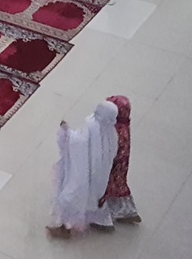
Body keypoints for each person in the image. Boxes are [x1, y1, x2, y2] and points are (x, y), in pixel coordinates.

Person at [48, 100, 119, 236]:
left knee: (71, 197)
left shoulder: (92, 126)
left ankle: (64, 228)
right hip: (100, 176)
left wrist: (66, 132)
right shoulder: (112, 133)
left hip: (83, 171)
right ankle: (102, 221)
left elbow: (78, 143)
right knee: (94, 198)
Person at [101, 96, 140, 224]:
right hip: (121, 165)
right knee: (119, 187)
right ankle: (128, 212)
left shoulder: (116, 130)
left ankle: (104, 218)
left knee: (106, 188)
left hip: (113, 165)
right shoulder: (124, 126)